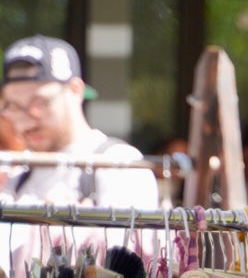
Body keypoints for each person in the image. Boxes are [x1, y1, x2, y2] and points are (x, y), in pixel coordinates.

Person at [0, 35, 158, 213]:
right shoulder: (19, 173)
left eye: (39, 103)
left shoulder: (118, 165)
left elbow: (131, 240)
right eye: (13, 106)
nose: (26, 119)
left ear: (75, 91)